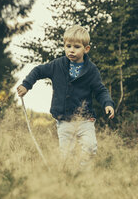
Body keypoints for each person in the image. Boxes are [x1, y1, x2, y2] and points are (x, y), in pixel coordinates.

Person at [17, 25, 115, 163]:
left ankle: (83, 174)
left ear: (86, 49)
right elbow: (38, 71)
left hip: (85, 120)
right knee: (66, 155)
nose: (71, 50)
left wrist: (108, 103)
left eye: (76, 47)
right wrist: (26, 85)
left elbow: (100, 90)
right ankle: (68, 178)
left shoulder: (91, 70)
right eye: (68, 46)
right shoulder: (57, 65)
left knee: (90, 147)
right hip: (64, 120)